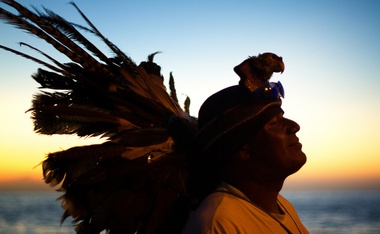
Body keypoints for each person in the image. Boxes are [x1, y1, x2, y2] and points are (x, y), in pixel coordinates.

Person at [182, 53, 309, 233]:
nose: (294, 126)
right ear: (241, 149)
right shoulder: (218, 224)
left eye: (282, 117)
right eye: (273, 123)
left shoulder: (282, 205)